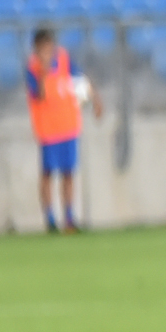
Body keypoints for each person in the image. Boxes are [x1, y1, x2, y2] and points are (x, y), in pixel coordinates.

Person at [25, 26, 102, 233]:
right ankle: (50, 218)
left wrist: (95, 99)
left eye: (50, 46)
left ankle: (69, 217)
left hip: (68, 126)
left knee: (69, 173)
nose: (48, 51)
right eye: (43, 47)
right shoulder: (33, 68)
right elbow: (40, 94)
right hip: (48, 130)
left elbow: (80, 82)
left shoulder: (64, 60)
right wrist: (43, 72)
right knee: (48, 174)